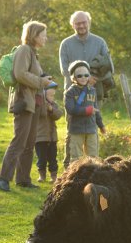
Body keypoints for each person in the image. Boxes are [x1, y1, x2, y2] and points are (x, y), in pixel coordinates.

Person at [0, 21, 53, 192]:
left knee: (29, 142)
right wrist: (41, 81)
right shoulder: (24, 50)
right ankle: (3, 178)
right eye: (43, 35)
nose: (45, 38)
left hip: (34, 104)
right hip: (24, 102)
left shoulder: (33, 53)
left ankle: (23, 179)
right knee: (19, 141)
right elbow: (20, 74)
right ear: (34, 35)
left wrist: (43, 80)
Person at [58, 11, 113, 167]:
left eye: (84, 22)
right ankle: (69, 168)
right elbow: (64, 69)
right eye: (77, 23)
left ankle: (92, 167)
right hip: (73, 94)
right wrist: (82, 78)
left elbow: (109, 66)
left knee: (92, 130)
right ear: (72, 25)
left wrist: (94, 78)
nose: (81, 25)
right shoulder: (66, 44)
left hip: (93, 93)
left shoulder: (100, 42)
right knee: (72, 131)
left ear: (89, 22)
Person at [64, 60, 106, 161]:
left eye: (86, 75)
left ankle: (93, 172)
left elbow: (96, 110)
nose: (83, 78)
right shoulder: (70, 92)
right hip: (76, 130)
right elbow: (70, 109)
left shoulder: (92, 90)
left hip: (91, 129)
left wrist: (101, 125)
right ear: (73, 77)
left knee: (93, 157)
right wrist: (86, 110)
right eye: (79, 76)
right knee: (76, 158)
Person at [35, 87, 63, 183]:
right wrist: (44, 106)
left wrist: (51, 109)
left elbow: (58, 114)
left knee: (52, 158)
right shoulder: (38, 104)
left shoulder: (54, 105)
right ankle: (42, 175)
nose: (52, 97)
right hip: (40, 137)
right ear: (44, 96)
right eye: (50, 95)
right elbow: (37, 114)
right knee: (41, 158)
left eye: (53, 95)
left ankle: (53, 176)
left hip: (52, 137)